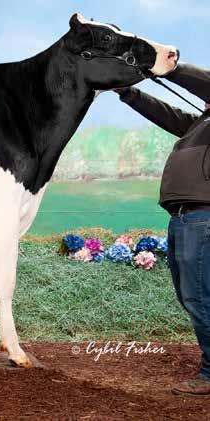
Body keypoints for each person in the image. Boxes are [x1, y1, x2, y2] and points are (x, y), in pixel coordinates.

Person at [114, 63, 210, 396]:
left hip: (202, 218)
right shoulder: (200, 124)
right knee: (193, 296)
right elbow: (166, 114)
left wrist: (170, 68)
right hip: (185, 218)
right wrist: (128, 93)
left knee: (199, 297)